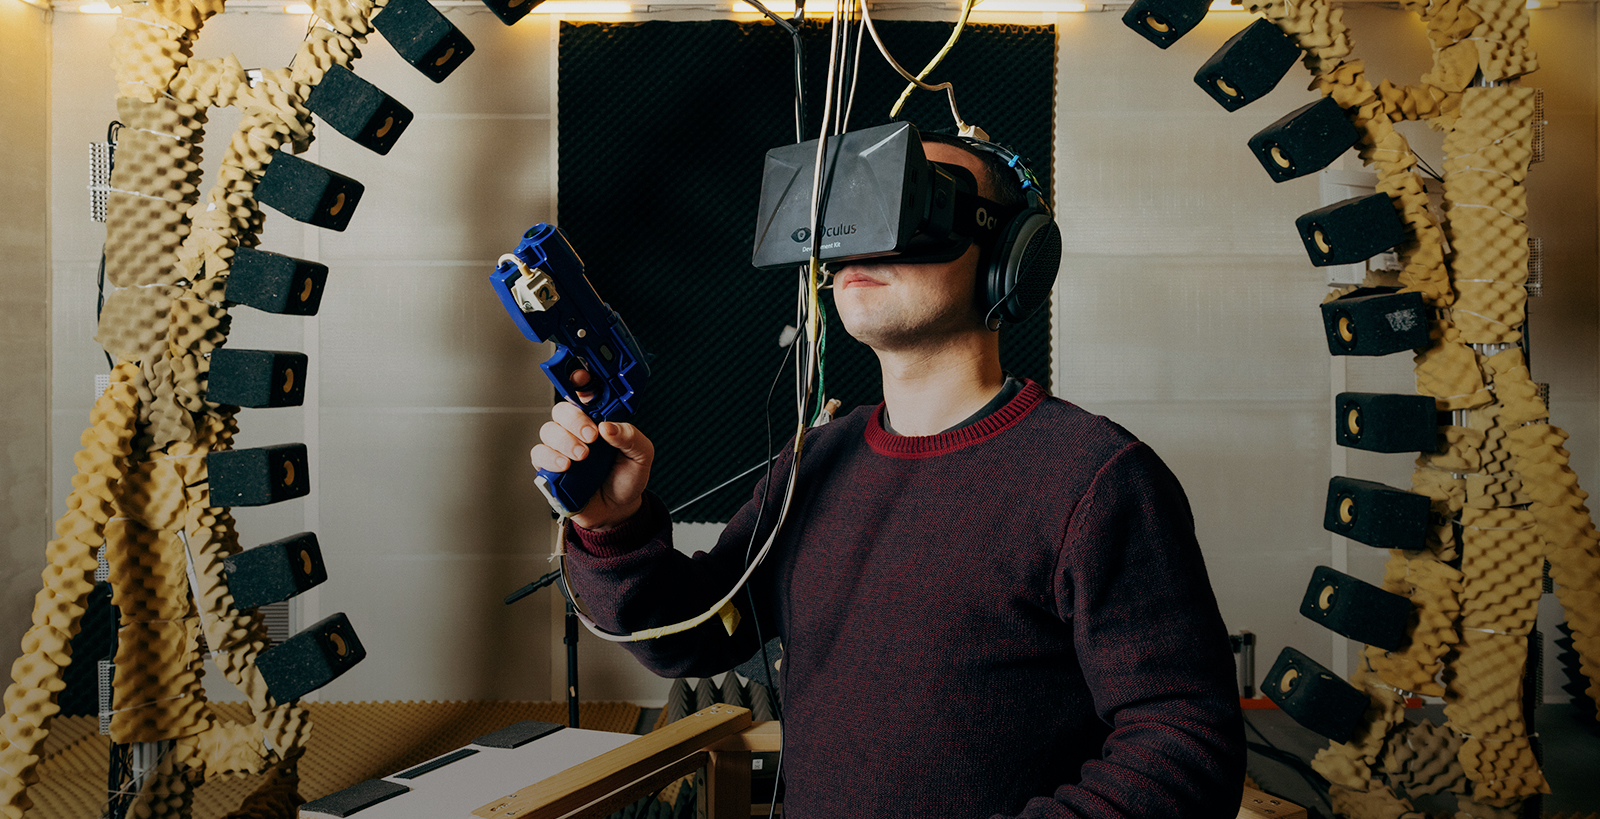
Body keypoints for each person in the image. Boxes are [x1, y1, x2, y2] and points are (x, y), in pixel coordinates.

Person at [531, 133, 1247, 818]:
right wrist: (613, 527)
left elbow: (1184, 745)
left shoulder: (1094, 478)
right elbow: (692, 635)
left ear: (1007, 254)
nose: (860, 242)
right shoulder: (815, 460)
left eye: (910, 205)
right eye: (849, 214)